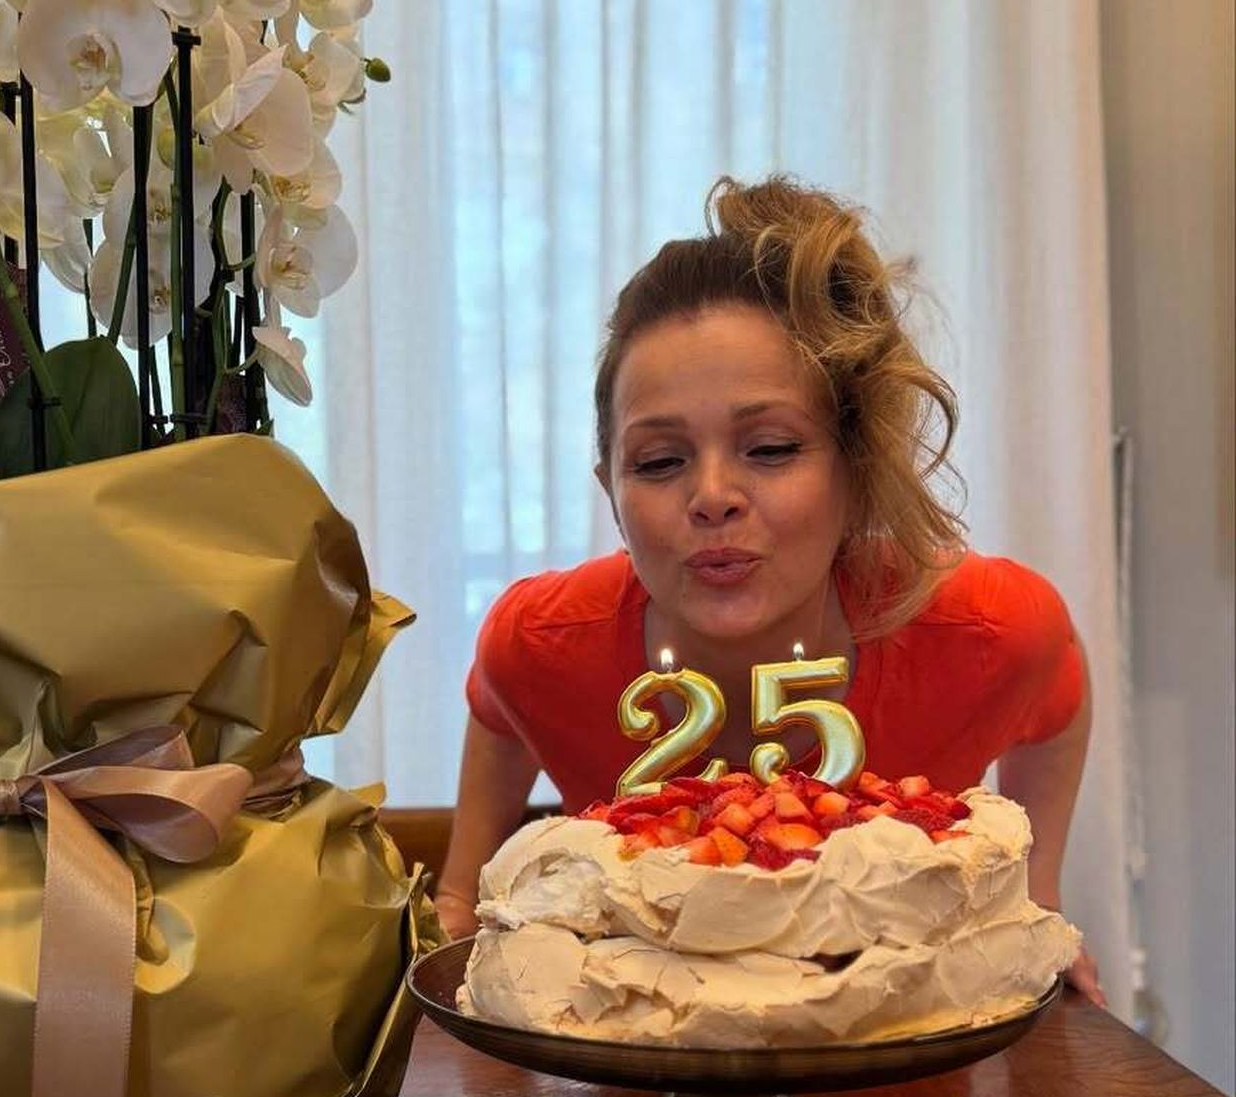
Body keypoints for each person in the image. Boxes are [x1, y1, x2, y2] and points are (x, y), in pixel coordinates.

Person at [434, 175, 1102, 1003]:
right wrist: (457, 895)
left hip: (907, 1056)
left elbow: (1056, 685)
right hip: (635, 1059)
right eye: (660, 461)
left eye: (772, 449)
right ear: (610, 489)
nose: (713, 496)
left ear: (855, 470)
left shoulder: (983, 628)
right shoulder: (541, 640)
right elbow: (503, 702)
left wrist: (1039, 898)